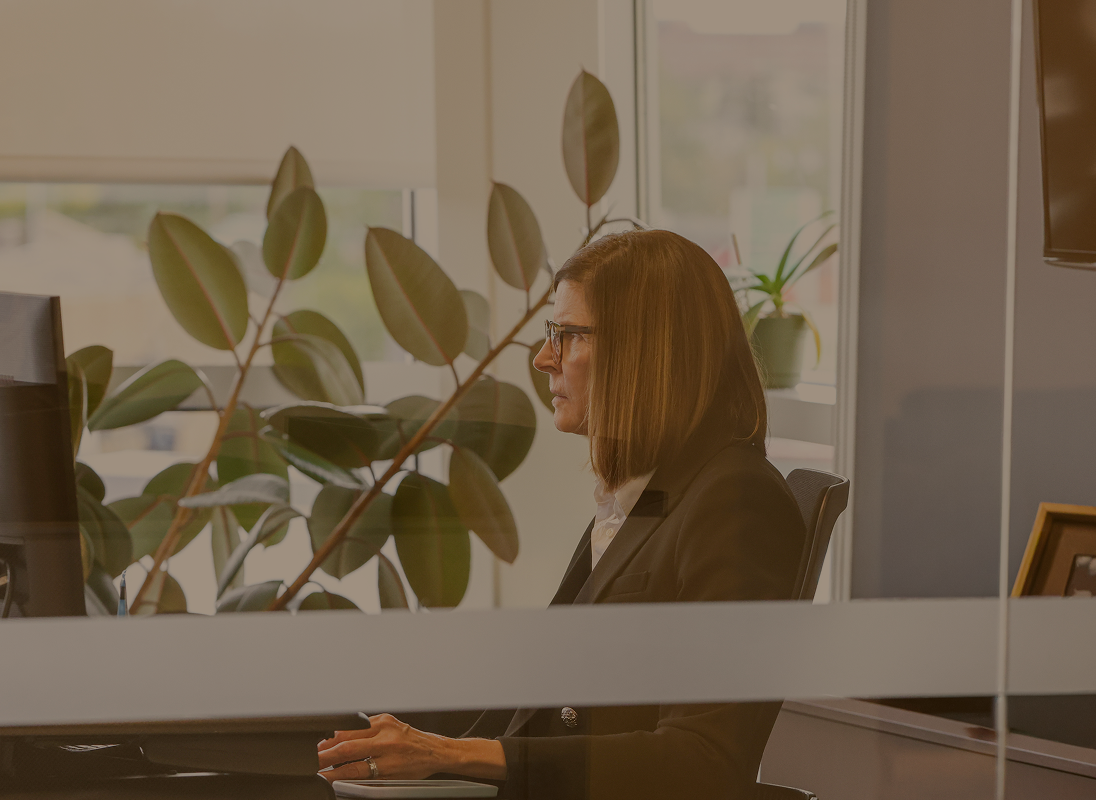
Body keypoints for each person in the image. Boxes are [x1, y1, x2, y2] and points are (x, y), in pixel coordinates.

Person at [318, 229, 807, 799]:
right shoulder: (644, 495)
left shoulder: (737, 502)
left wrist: (450, 755)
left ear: (644, 351)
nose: (543, 358)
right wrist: (397, 733)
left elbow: (704, 759)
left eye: (569, 335)